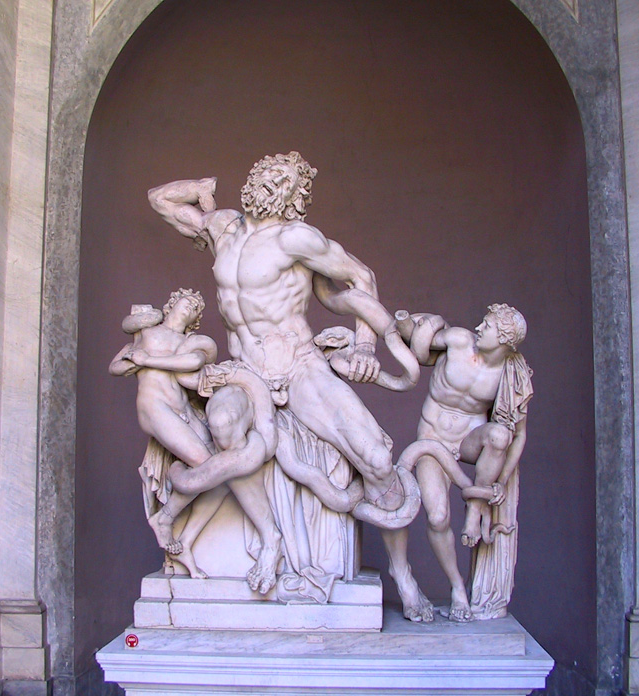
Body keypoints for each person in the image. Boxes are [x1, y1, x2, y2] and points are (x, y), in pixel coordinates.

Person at [148, 153, 431, 618]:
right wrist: (200, 186)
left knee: (377, 458)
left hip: (298, 364)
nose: (268, 182)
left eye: (283, 179)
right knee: (222, 425)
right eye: (265, 173)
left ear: (296, 195)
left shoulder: (297, 238)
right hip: (244, 369)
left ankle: (403, 572)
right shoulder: (223, 228)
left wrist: (363, 348)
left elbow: (363, 277)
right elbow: (161, 200)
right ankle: (269, 539)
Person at [109, 289, 283, 592]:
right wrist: (135, 359)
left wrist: (149, 360)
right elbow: (117, 367)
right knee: (208, 465)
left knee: (221, 471)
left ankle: (186, 540)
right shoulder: (146, 332)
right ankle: (165, 518)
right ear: (170, 304)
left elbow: (192, 361)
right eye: (185, 302)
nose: (189, 308)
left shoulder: (193, 343)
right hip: (155, 407)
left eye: (195, 308)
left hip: (184, 410)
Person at [392, 304, 533, 621]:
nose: (479, 328)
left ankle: (477, 505)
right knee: (438, 517)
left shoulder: (510, 374)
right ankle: (457, 587)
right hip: (432, 439)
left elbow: (518, 435)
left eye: (489, 326)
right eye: (482, 321)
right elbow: (418, 343)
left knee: (499, 435)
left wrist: (500, 481)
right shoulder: (457, 340)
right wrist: (407, 322)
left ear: (505, 341)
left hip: (468, 442)